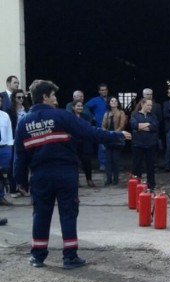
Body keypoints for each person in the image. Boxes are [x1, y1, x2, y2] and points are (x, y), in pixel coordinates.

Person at [13, 79, 130, 269]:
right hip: (65, 173)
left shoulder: (24, 123)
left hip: (40, 176)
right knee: (68, 213)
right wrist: (115, 136)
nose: (56, 100)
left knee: (41, 214)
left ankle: (38, 256)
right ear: (44, 97)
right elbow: (89, 132)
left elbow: (20, 156)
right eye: (53, 96)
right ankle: (70, 257)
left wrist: (20, 182)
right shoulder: (62, 116)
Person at [130, 98, 159, 191]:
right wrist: (147, 124)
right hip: (138, 144)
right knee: (137, 165)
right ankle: (136, 184)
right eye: (148, 105)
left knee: (150, 166)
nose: (150, 107)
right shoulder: (135, 115)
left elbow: (155, 126)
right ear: (142, 104)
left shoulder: (153, 115)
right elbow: (134, 125)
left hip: (150, 144)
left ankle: (151, 185)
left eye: (151, 105)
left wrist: (141, 127)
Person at [7, 89, 29, 198]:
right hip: (14, 140)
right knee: (14, 165)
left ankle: (24, 187)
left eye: (22, 97)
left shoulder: (27, 110)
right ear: (14, 98)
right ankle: (14, 188)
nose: (21, 100)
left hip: (26, 140)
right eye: (18, 97)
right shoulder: (10, 111)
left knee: (25, 165)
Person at [101, 96, 128, 185]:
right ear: (109, 103)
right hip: (108, 139)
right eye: (112, 101)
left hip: (116, 138)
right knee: (108, 160)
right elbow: (103, 126)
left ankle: (116, 179)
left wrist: (113, 134)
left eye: (115, 101)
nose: (114, 102)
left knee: (115, 159)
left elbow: (122, 126)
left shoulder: (121, 113)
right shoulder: (106, 113)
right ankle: (108, 179)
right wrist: (107, 133)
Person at [85, 83, 110, 171]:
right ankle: (102, 164)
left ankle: (110, 164)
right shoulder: (95, 100)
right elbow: (85, 107)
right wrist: (92, 116)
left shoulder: (110, 100)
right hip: (100, 125)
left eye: (105, 89)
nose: (104, 91)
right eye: (102, 90)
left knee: (112, 145)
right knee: (102, 146)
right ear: (99, 91)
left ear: (107, 90)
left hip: (111, 126)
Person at [72, 101, 96, 187]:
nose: (80, 107)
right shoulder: (70, 117)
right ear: (73, 107)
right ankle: (76, 181)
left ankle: (89, 179)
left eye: (81, 106)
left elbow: (89, 129)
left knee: (87, 162)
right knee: (75, 162)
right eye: (78, 106)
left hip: (85, 142)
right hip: (74, 143)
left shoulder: (86, 117)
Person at [0, 94, 14, 205]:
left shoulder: (5, 115)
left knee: (3, 173)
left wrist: (9, 146)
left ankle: (2, 196)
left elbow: (9, 132)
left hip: (4, 147)